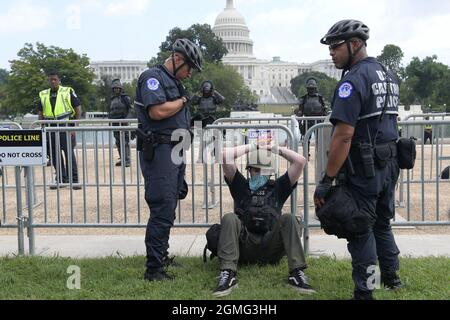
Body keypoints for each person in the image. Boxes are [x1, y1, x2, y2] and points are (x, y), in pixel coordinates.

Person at [315, 19, 403, 300]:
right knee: (382, 223)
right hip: (389, 164)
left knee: (361, 228)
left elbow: (342, 136)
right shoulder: (386, 74)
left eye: (335, 46)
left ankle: (366, 291)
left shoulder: (352, 81)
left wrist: (326, 180)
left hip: (365, 168)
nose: (331, 52)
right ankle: (392, 278)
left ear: (355, 44)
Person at [134, 38, 203, 281]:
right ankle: (153, 270)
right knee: (162, 207)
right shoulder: (152, 77)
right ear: (177, 59)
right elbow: (157, 111)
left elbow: (177, 118)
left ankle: (161, 256)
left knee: (170, 205)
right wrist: (184, 101)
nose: (190, 73)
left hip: (174, 150)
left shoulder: (175, 81)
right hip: (159, 151)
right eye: (189, 66)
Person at [213, 142, 315, 297]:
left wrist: (273, 148)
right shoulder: (241, 186)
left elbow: (300, 161)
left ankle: (297, 273)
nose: (259, 173)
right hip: (244, 248)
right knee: (229, 218)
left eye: (263, 169)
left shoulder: (278, 187)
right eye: (255, 169)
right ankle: (228, 274)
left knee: (290, 218)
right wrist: (253, 146)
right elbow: (225, 156)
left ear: (271, 171)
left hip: (271, 247)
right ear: (249, 170)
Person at [38, 71, 82, 190]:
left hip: (65, 125)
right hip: (50, 127)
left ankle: (74, 180)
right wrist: (43, 129)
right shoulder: (43, 94)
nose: (52, 81)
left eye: (55, 79)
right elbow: (40, 113)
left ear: (59, 80)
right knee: (54, 155)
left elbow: (78, 109)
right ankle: (61, 179)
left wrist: (74, 126)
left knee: (69, 153)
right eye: (51, 79)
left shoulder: (68, 91)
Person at [294, 78, 327, 156]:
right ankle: (306, 153)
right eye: (309, 88)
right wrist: (299, 123)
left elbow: (324, 110)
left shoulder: (320, 98)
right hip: (307, 120)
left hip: (318, 121)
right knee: (306, 139)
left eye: (312, 88)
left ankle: (320, 154)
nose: (311, 90)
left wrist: (325, 120)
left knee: (319, 139)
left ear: (315, 88)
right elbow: (300, 112)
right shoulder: (304, 98)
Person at [109, 79, 133, 167]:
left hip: (123, 122)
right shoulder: (112, 99)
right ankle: (122, 158)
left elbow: (131, 109)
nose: (116, 90)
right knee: (118, 142)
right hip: (115, 123)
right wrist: (110, 122)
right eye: (115, 88)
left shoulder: (125, 98)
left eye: (118, 88)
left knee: (125, 141)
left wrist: (127, 119)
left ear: (120, 89)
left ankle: (127, 160)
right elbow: (111, 111)